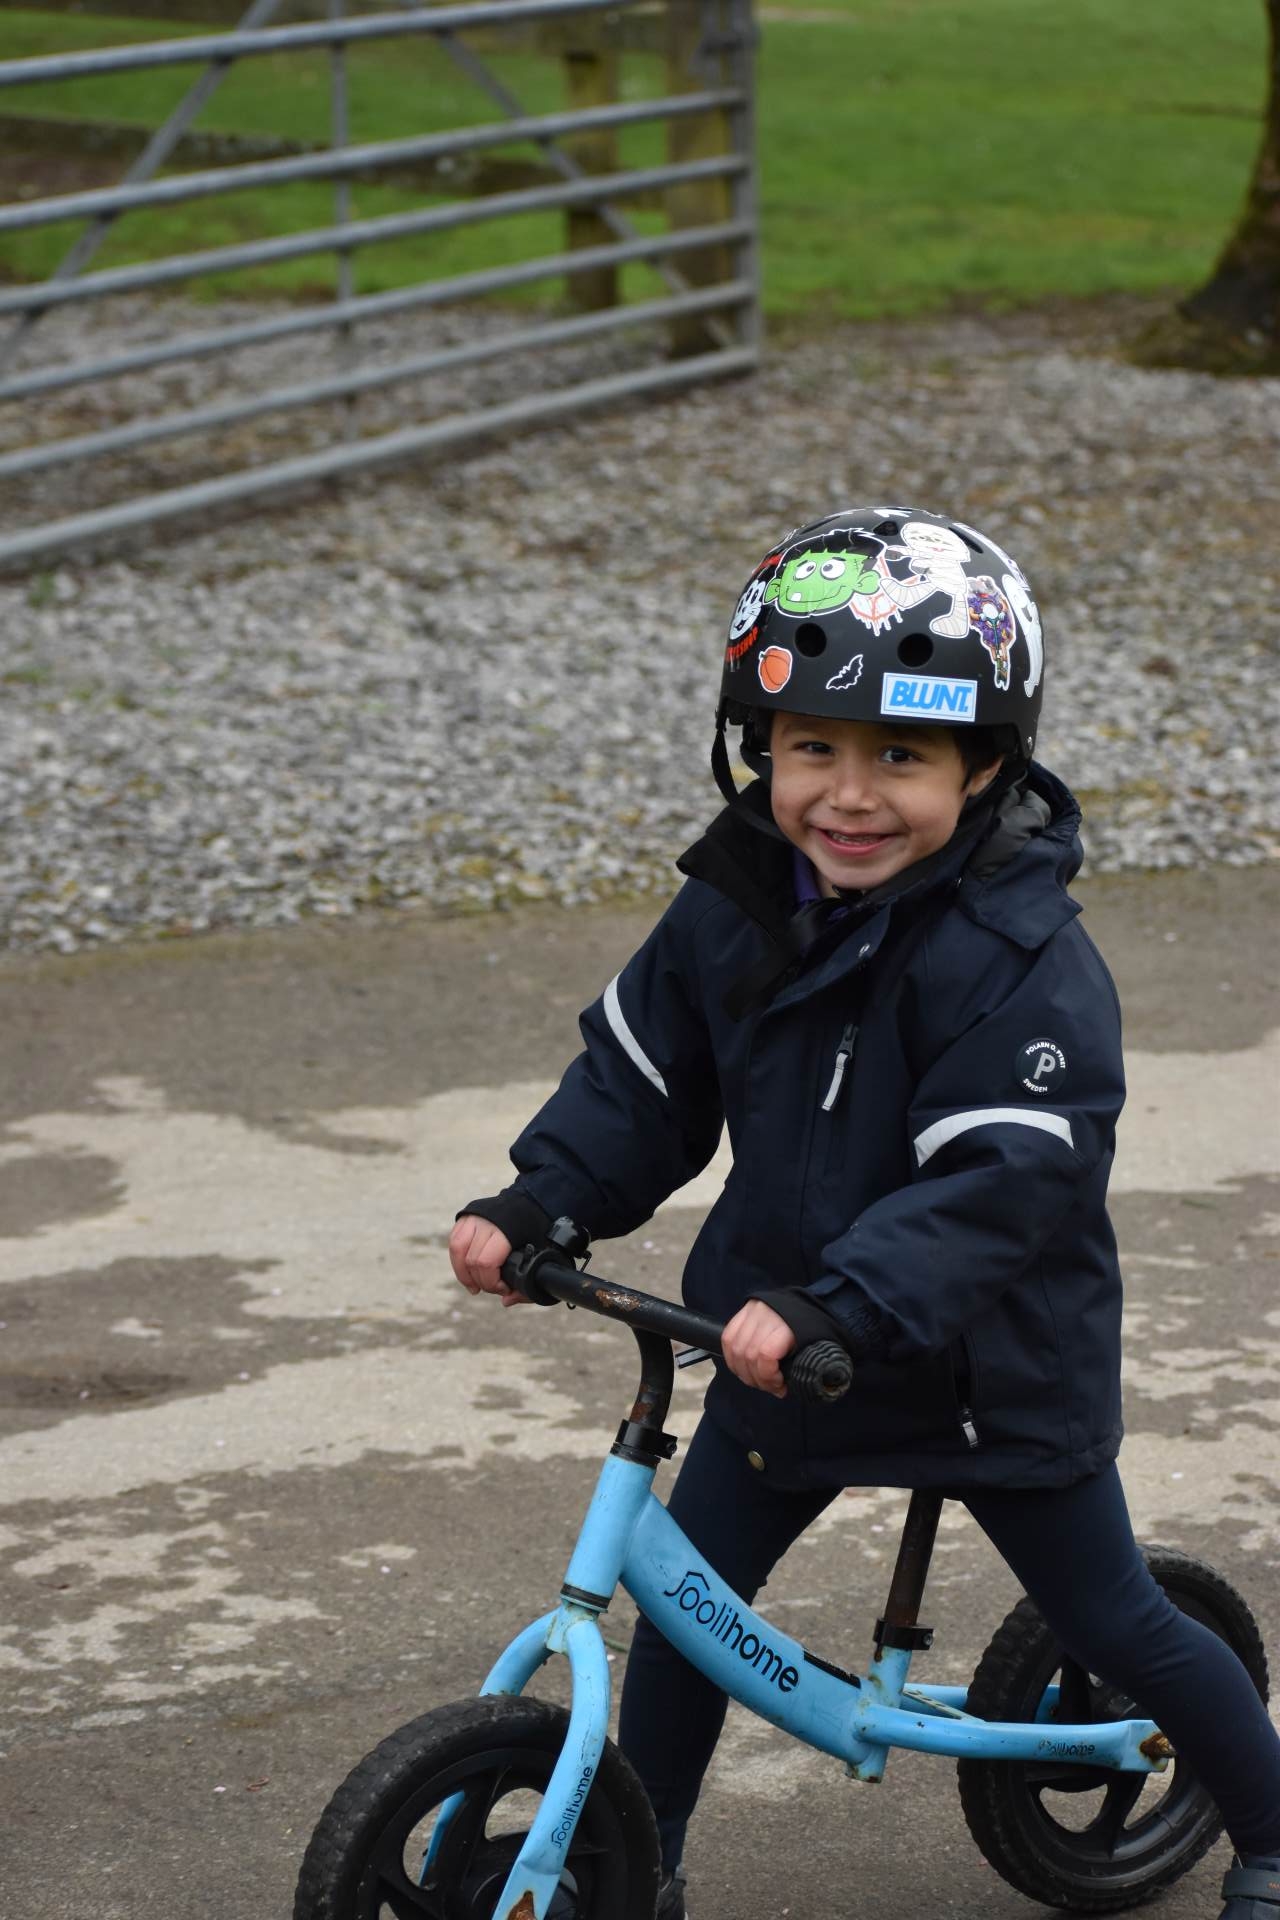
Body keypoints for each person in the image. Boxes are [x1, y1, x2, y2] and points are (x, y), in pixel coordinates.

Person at [450, 507, 1280, 1920]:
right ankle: (633, 1868)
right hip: (786, 1346)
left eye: (902, 756)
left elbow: (1000, 1182)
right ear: (756, 748)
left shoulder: (1020, 957)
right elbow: (643, 1077)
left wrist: (843, 1300)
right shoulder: (735, 910)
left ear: (986, 763)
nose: (849, 796)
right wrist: (544, 1200)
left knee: (1111, 1614)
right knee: (688, 1615)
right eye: (812, 749)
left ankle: (1268, 1825)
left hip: (987, 1368)